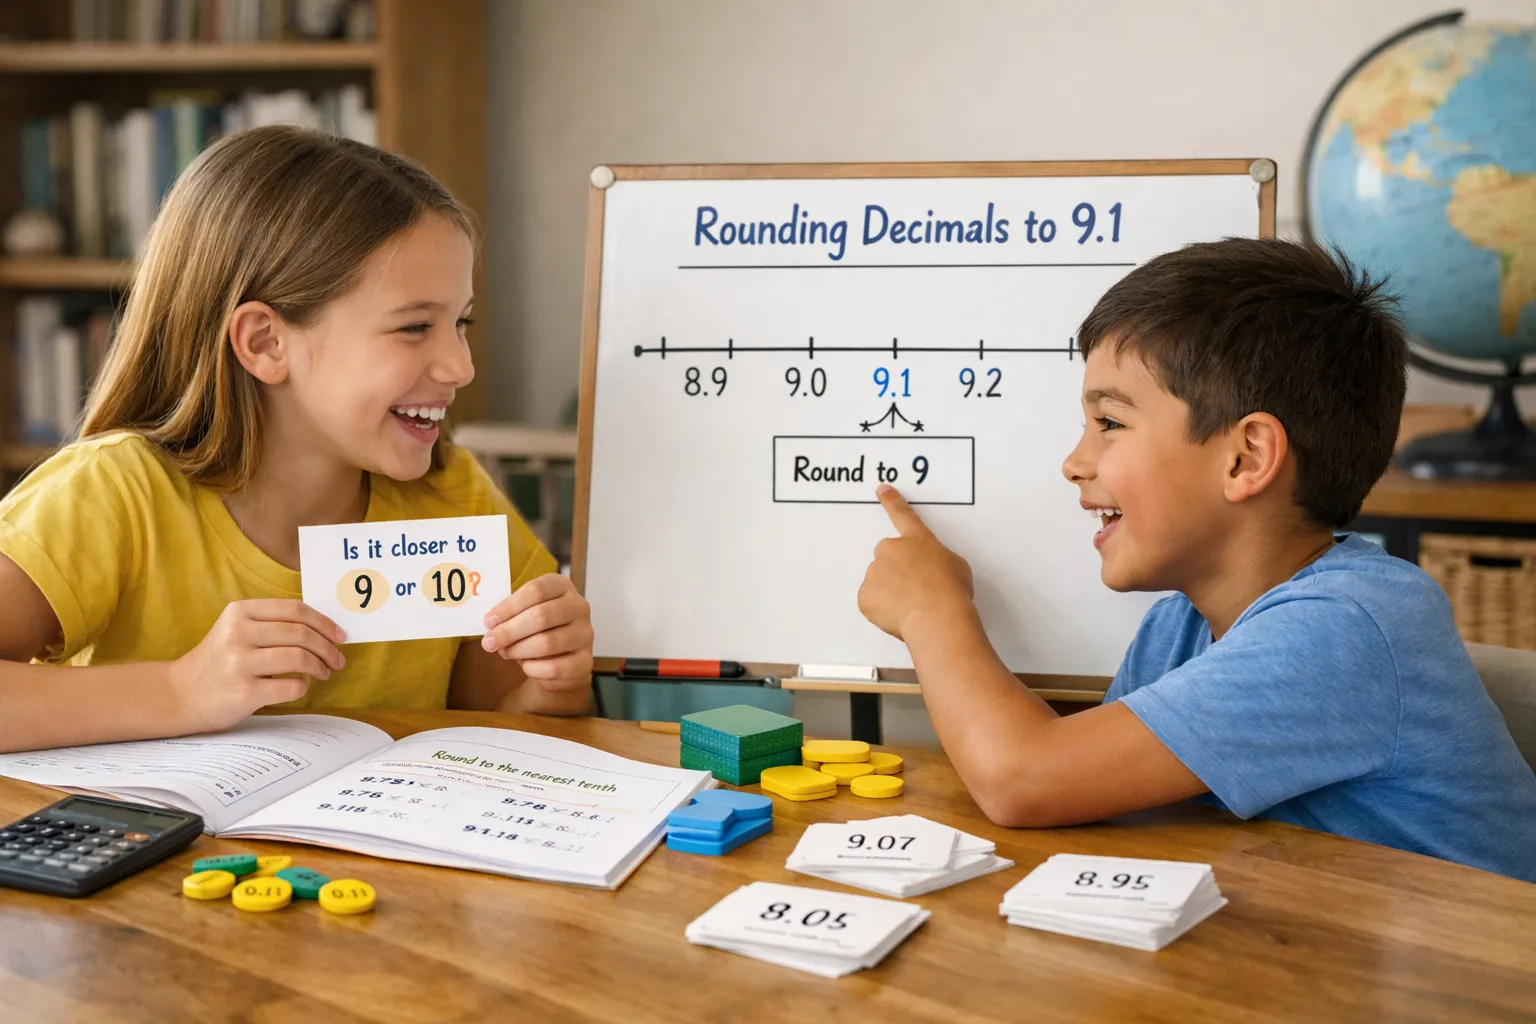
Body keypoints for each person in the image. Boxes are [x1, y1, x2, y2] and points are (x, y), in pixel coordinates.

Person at [857, 238, 1536, 881]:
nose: (1074, 462)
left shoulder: (1351, 626)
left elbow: (1024, 779)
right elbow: (1102, 811)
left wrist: (932, 611)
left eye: (1110, 423)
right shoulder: (1178, 627)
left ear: (1246, 458)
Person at [0, 126, 593, 754]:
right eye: (416, 326)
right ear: (266, 343)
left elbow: (496, 720)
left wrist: (552, 685)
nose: (460, 367)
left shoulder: (455, 494)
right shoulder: (113, 493)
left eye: (461, 323)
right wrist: (183, 691)